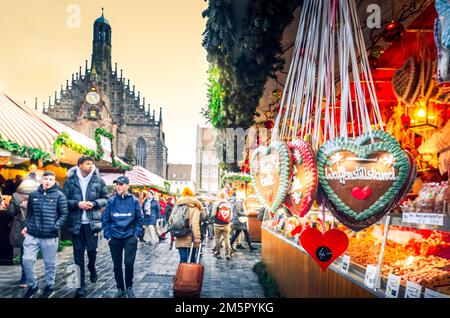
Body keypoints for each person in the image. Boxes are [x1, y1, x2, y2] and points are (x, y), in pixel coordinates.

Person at [63, 156, 109, 297]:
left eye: (92, 164)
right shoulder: (70, 182)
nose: (91, 166)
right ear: (80, 165)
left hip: (92, 223)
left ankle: (92, 266)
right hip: (76, 223)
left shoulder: (99, 180)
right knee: (78, 255)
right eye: (88, 164)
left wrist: (94, 204)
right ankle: (80, 286)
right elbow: (64, 200)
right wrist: (77, 204)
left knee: (92, 250)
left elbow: (106, 199)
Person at [22, 171, 68, 298]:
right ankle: (33, 286)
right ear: (41, 180)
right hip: (32, 234)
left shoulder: (60, 196)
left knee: (49, 263)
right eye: (45, 178)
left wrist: (55, 227)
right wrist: (26, 225)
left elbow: (64, 214)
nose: (47, 181)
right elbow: (29, 213)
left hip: (50, 236)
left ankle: (49, 287)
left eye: (50, 179)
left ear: (54, 181)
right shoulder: (33, 195)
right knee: (27, 260)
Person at [102, 176, 143, 298]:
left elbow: (139, 220)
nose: (118, 186)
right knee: (117, 265)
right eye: (117, 184)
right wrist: (108, 236)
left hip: (130, 237)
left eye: (121, 184)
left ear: (127, 186)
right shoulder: (111, 201)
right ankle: (120, 288)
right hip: (114, 238)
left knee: (129, 263)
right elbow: (105, 220)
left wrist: (136, 235)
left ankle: (129, 286)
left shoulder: (134, 201)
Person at [7, 178, 39, 288]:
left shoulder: (16, 195)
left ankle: (24, 278)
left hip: (20, 226)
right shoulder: (38, 194)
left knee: (23, 253)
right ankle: (30, 275)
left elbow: (10, 212)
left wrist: (19, 205)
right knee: (32, 251)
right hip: (35, 226)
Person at [174, 187, 201, 263]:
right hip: (190, 236)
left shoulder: (177, 206)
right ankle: (191, 274)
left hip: (179, 235)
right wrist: (197, 237)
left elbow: (171, 220)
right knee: (192, 259)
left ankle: (181, 274)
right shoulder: (194, 208)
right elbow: (195, 224)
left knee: (182, 259)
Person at [211, 191, 233, 259]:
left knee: (217, 238)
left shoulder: (216, 203)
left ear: (219, 196)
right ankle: (227, 254)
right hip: (226, 224)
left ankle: (218, 253)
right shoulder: (228, 204)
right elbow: (231, 215)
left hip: (217, 224)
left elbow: (213, 214)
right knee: (227, 239)